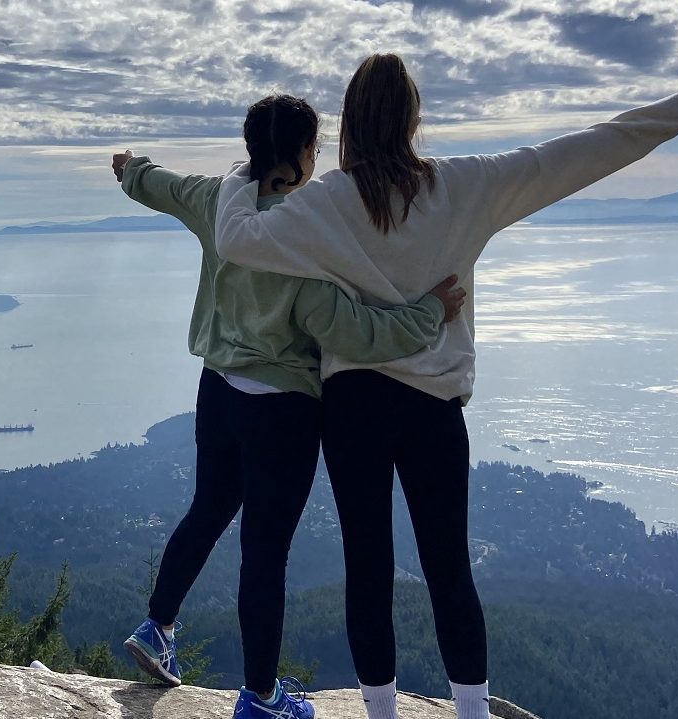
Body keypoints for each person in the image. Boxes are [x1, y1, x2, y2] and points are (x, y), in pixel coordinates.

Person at [211, 55, 678, 719]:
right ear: (413, 118)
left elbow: (235, 238)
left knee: (367, 563)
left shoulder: (324, 203)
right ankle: (473, 712)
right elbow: (587, 148)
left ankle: (381, 712)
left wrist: (241, 171)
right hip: (433, 407)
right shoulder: (463, 188)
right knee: (449, 565)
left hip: (353, 408)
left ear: (350, 124)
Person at [111, 93, 467, 719]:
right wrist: (431, 312)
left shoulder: (219, 200)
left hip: (218, 390)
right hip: (281, 411)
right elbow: (353, 329)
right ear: (306, 154)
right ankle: (261, 696)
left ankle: (157, 625)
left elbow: (156, 186)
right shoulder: (306, 232)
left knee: (207, 507)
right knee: (265, 552)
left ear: (252, 150)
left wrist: (131, 166)